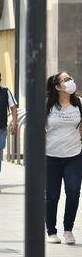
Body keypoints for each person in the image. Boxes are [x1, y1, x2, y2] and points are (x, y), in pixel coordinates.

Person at [45, 72, 82, 245]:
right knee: (52, 196)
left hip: (74, 155)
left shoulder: (79, 103)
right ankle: (51, 231)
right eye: (65, 80)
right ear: (58, 87)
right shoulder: (47, 105)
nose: (70, 81)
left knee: (74, 192)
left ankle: (68, 230)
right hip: (50, 157)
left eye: (70, 78)